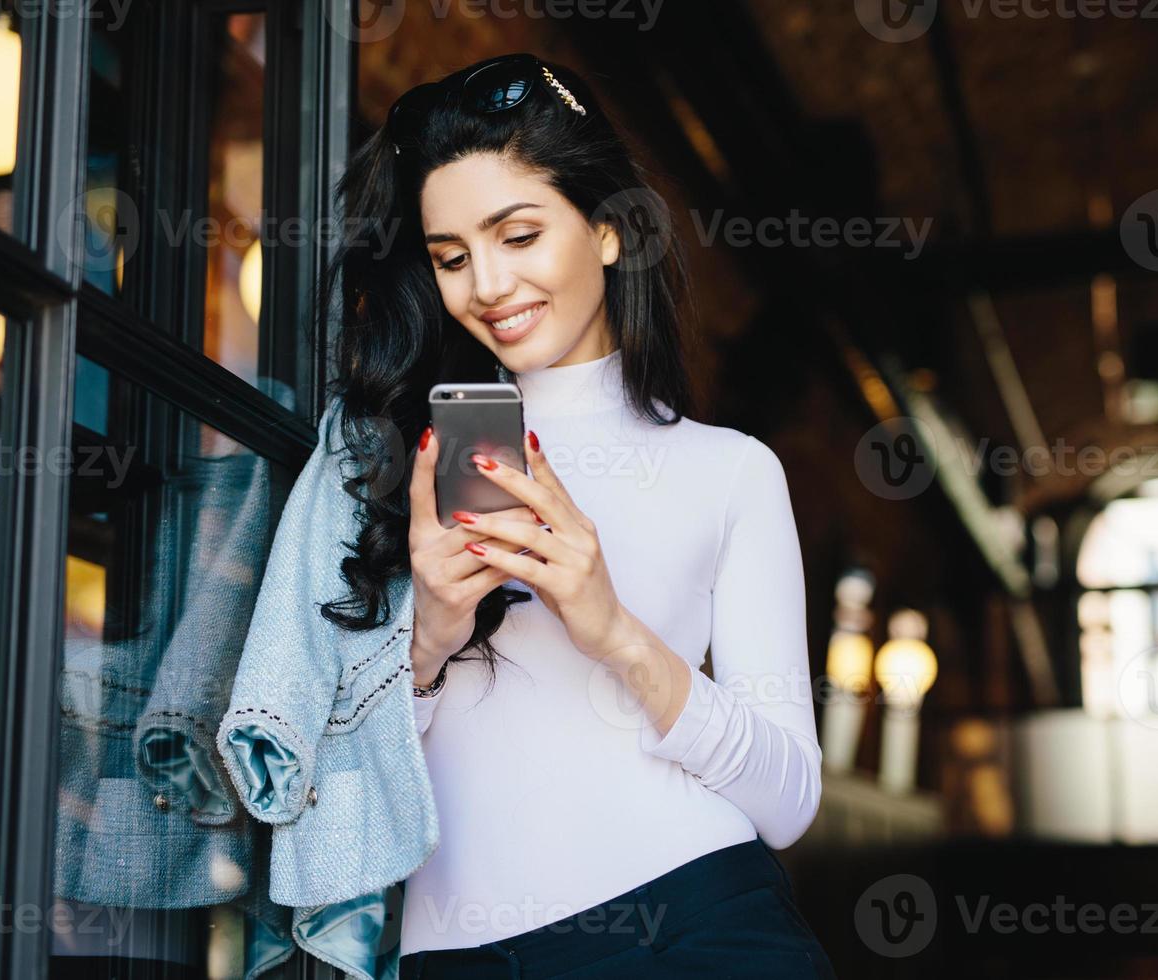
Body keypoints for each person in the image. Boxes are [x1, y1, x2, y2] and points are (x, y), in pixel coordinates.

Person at [318, 52, 836, 979]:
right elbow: (328, 785)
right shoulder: (385, 459)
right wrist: (429, 637)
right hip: (458, 956)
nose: (486, 284)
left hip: (692, 925)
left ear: (605, 230)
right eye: (451, 256)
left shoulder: (730, 471)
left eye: (517, 236)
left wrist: (612, 629)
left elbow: (790, 801)